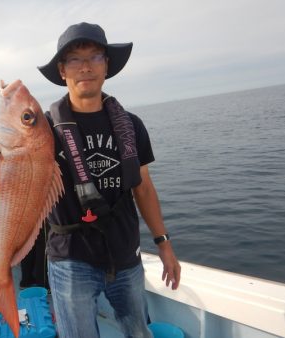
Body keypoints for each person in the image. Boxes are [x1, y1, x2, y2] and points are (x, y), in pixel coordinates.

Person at [37, 22, 181, 338]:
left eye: (95, 57)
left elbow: (143, 187)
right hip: (71, 257)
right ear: (62, 70)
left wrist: (164, 243)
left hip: (126, 253)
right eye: (74, 59)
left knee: (139, 332)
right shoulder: (42, 131)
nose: (85, 66)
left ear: (107, 66)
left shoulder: (131, 125)